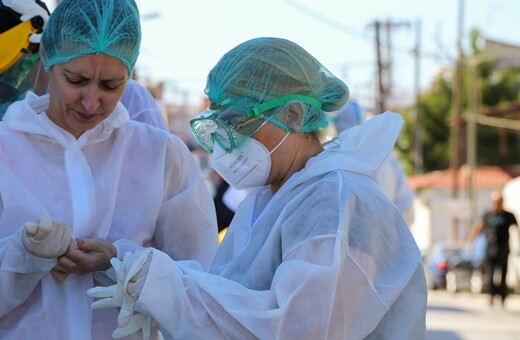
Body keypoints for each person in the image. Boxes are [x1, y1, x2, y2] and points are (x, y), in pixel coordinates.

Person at [89, 37, 427, 339]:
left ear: (293, 115)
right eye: (217, 127)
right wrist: (125, 262)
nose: (226, 143)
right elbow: (228, 292)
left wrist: (162, 285)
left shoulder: (335, 200)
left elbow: (298, 328)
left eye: (238, 123)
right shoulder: (267, 198)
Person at [0, 1, 218, 339]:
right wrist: (21, 257)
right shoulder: (5, 149)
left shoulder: (160, 155)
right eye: (77, 79)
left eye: (111, 85)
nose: (91, 102)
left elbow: (201, 284)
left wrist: (123, 263)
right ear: (47, 60)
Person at [332, 99, 416, 226]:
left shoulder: (335, 162)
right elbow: (407, 208)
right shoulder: (387, 158)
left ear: (337, 125)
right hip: (387, 238)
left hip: (354, 241)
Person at [468, 191, 518, 307]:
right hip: (490, 250)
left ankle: (502, 297)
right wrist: (471, 244)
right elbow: (477, 228)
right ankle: (491, 295)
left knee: (503, 275)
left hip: (504, 250)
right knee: (490, 275)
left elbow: (517, 229)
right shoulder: (488, 214)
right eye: (495, 202)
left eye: (499, 202)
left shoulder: (508, 216)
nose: (496, 204)